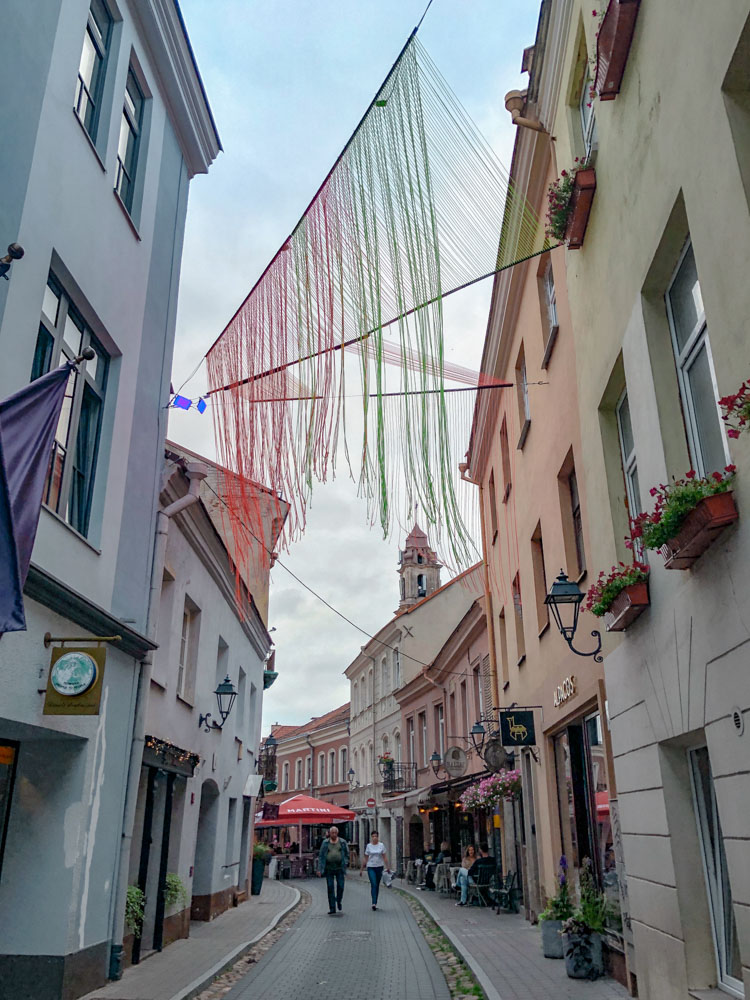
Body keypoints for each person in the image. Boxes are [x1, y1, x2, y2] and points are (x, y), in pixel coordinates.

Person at [319, 826, 349, 915]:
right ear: (330, 833)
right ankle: (332, 908)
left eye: (335, 833)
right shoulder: (325, 843)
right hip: (329, 868)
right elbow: (321, 856)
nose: (334, 834)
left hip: (340, 868)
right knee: (330, 887)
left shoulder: (342, 842)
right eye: (332, 833)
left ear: (337, 833)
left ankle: (338, 900)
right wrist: (320, 869)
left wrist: (345, 862)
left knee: (341, 886)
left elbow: (346, 853)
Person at [360, 830, 390, 910]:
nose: (374, 838)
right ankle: (373, 903)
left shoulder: (381, 845)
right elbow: (366, 857)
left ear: (378, 837)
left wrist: (388, 867)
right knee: (373, 883)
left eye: (376, 836)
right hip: (371, 867)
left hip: (379, 867)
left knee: (377, 884)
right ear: (371, 837)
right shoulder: (369, 846)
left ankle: (375, 901)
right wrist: (362, 869)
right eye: (373, 836)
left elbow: (384, 856)